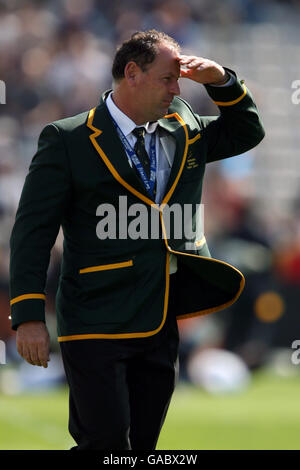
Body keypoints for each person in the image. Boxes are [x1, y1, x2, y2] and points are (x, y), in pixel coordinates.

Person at [9, 29, 265, 450]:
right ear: (132, 73)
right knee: (106, 445)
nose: (176, 88)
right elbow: (33, 231)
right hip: (93, 318)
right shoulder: (67, 139)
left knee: (143, 448)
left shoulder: (184, 125)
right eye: (167, 78)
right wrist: (29, 315)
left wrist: (222, 81)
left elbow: (246, 132)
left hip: (160, 315)